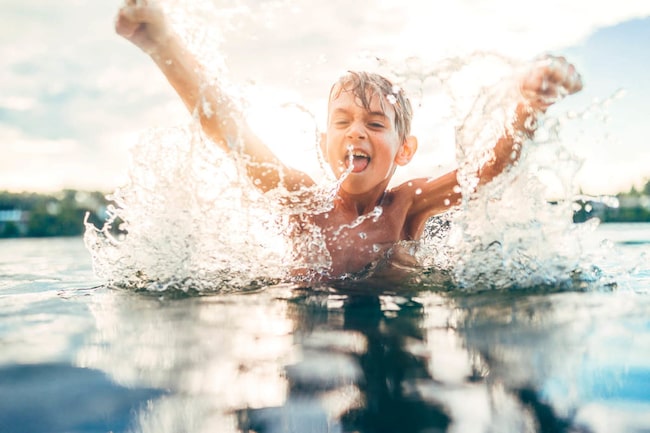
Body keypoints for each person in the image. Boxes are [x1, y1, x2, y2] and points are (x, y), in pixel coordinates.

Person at [115, 1, 583, 280]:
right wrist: (161, 44)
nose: (357, 131)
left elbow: (485, 172)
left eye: (375, 124)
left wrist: (528, 107)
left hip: (396, 338)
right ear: (325, 145)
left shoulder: (407, 206)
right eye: (342, 123)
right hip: (312, 346)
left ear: (404, 150)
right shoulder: (299, 199)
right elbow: (229, 130)